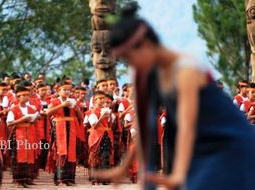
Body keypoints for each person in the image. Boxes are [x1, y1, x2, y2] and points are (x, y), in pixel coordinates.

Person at [92, 4, 255, 190]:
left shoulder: (187, 71)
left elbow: (187, 125)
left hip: (232, 144)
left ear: (144, 44)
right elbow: (145, 125)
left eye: (129, 57)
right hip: (202, 148)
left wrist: (178, 174)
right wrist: (124, 166)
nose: (131, 64)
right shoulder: (145, 73)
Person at [46, 81, 81, 186]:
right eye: (64, 90)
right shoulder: (55, 101)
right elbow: (48, 112)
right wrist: (62, 105)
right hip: (59, 128)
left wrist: (77, 108)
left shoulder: (73, 101)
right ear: (58, 91)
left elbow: (80, 116)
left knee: (71, 152)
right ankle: (60, 179)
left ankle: (69, 178)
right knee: (61, 152)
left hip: (71, 128)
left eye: (69, 90)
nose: (67, 92)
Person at [6, 86, 38, 188]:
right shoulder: (13, 109)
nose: (26, 97)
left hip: (30, 133)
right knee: (19, 157)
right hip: (19, 134)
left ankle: (27, 178)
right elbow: (9, 123)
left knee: (29, 156)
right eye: (23, 95)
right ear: (17, 97)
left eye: (27, 95)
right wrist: (22, 119)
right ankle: (19, 179)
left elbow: (35, 120)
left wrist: (33, 118)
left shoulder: (31, 109)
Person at [88, 91, 114, 185]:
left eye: (103, 98)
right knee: (97, 156)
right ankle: (97, 178)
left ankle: (105, 178)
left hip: (106, 135)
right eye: (100, 98)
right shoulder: (93, 111)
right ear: (95, 100)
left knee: (105, 156)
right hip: (97, 136)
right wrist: (102, 117)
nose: (102, 100)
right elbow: (94, 126)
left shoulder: (106, 110)